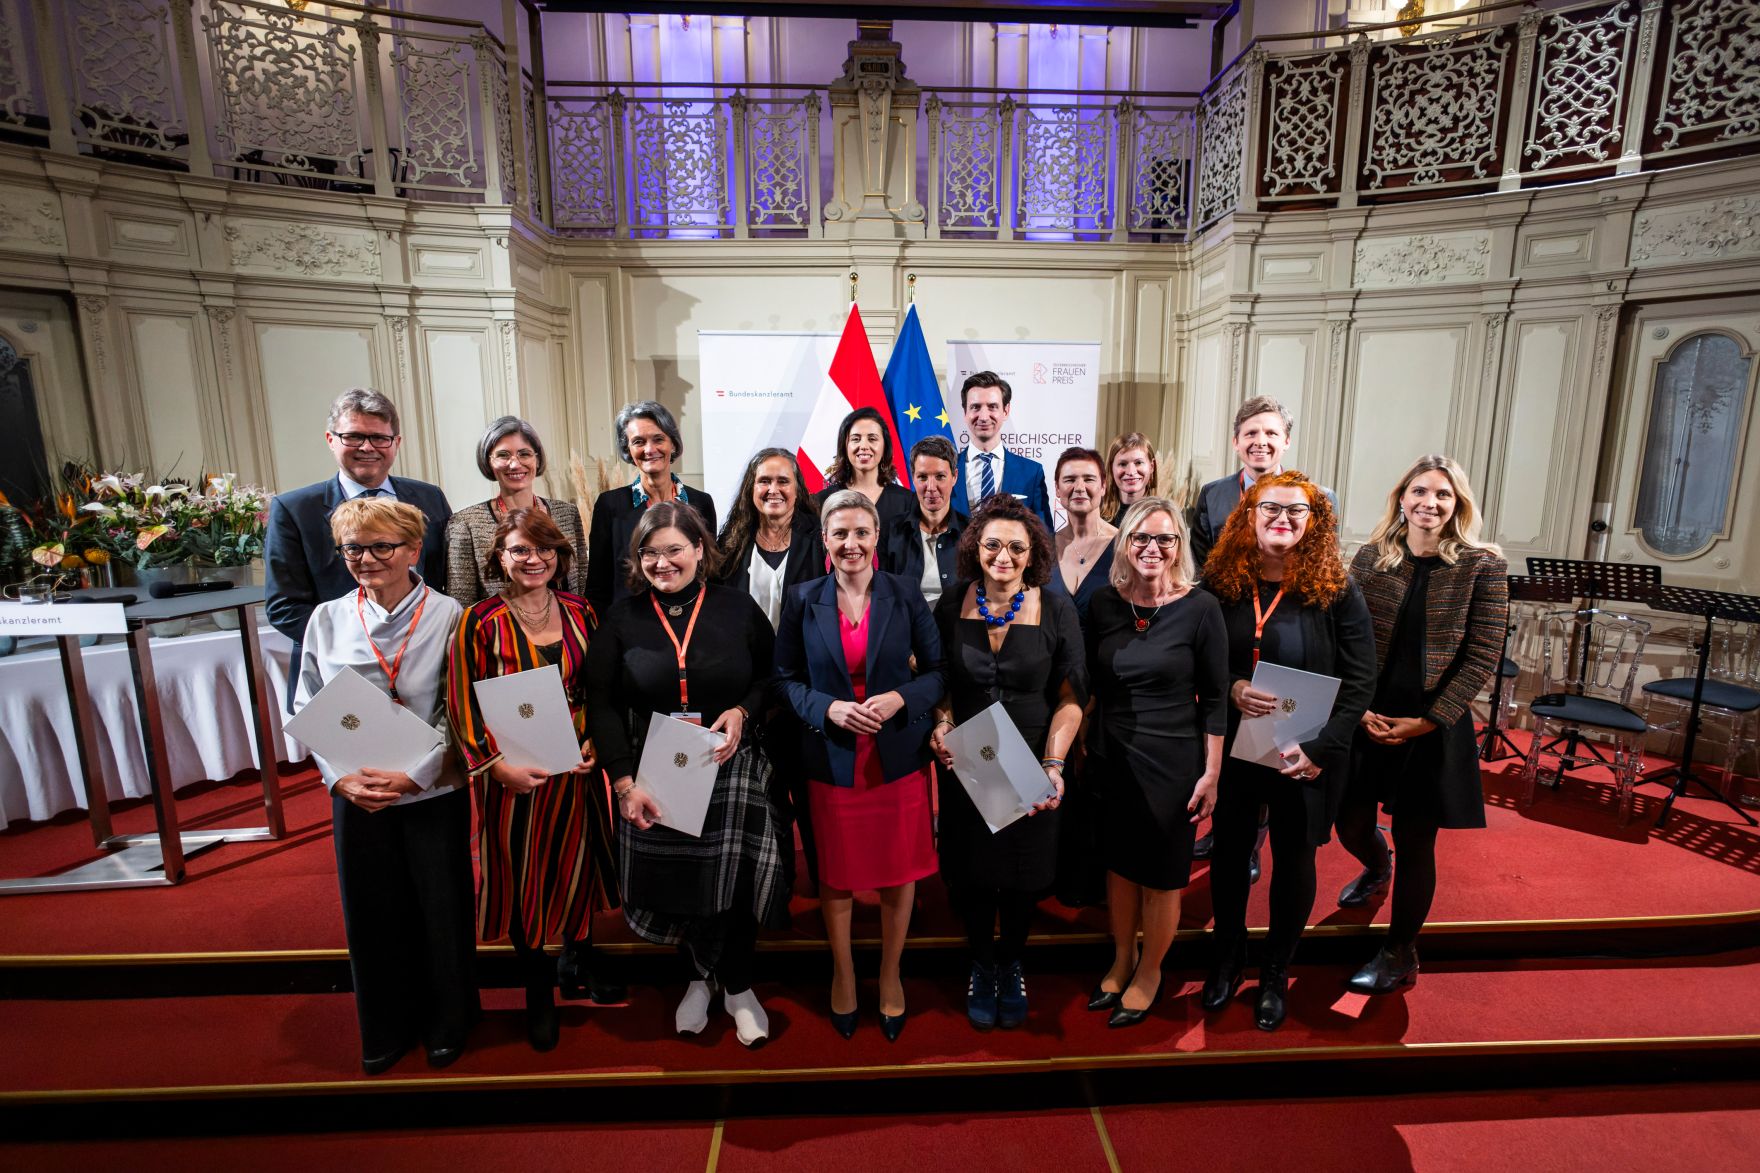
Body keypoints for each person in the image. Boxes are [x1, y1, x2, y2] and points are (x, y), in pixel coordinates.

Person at [585, 502, 786, 1048]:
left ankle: (738, 986)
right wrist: (624, 783)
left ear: (700, 549)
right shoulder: (622, 618)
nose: (663, 562)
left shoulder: (736, 607)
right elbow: (601, 702)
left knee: (734, 882)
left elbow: (770, 677)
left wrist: (743, 710)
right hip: (657, 767)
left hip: (729, 762)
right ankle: (698, 980)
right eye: (650, 553)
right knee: (681, 883)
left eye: (674, 549)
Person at [293, 498, 473, 1075]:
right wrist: (338, 777)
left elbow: (460, 706)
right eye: (353, 549)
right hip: (359, 791)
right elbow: (305, 704)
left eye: (381, 547)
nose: (366, 559)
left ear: (413, 550)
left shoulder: (450, 614)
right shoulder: (326, 619)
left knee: (440, 908)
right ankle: (386, 1025)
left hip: (430, 789)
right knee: (372, 911)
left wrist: (418, 772)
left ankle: (448, 1021)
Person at [1199, 471, 1375, 1032]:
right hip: (1236, 743)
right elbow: (1199, 659)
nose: (1282, 519)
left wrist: (1322, 748)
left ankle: (1275, 971)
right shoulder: (1220, 583)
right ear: (1248, 515)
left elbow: (1360, 679)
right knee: (1229, 855)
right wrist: (1232, 685)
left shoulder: (1336, 588)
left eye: (1296, 511)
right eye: (1270, 508)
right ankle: (1227, 958)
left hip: (1306, 749)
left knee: (1295, 859)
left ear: (1313, 521)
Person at [446, 508, 620, 1053]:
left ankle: (577, 956)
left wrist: (596, 741)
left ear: (559, 557)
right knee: (523, 871)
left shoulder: (582, 611)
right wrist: (494, 765)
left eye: (544, 549)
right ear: (500, 557)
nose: (534, 559)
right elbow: (460, 701)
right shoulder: (479, 621)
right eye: (520, 549)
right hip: (514, 773)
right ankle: (537, 983)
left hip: (577, 766)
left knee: (578, 863)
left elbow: (602, 687)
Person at [776, 490, 945, 1042]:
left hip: (895, 754)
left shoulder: (904, 593)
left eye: (862, 533)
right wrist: (826, 708)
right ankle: (844, 974)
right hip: (832, 756)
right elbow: (784, 679)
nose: (852, 543)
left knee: (899, 872)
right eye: (840, 533)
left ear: (877, 537)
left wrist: (901, 699)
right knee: (838, 875)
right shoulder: (802, 598)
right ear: (825, 540)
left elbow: (938, 673)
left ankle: (891, 974)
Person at [1336, 456, 1508, 994]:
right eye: (1419, 491)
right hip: (1369, 712)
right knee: (1350, 825)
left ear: (1458, 505)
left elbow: (1483, 654)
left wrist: (1429, 720)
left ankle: (1400, 951)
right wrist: (1357, 706)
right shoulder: (1372, 556)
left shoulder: (1482, 566)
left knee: (1417, 842)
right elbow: (1345, 636)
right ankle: (1376, 865)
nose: (1428, 503)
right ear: (1402, 497)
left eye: (1442, 495)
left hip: (1432, 723)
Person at [930, 494, 1087, 1031]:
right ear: (975, 548)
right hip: (968, 760)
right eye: (992, 544)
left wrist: (1054, 764)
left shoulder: (1057, 609)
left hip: (1032, 762)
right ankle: (981, 964)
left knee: (1023, 874)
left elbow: (1071, 697)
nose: (1003, 556)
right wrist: (941, 721)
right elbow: (939, 681)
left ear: (1033, 553)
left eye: (1016, 547)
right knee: (973, 872)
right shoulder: (951, 605)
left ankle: (1011, 962)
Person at [1084, 499, 1227, 1028]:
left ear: (1179, 547)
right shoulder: (1104, 603)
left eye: (1165, 539)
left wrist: (1212, 772)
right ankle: (1122, 959)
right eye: (1141, 537)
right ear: (1125, 543)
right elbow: (1089, 682)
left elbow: (1216, 699)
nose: (1152, 548)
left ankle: (1150, 971)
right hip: (1112, 755)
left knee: (1162, 877)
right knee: (1121, 869)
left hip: (1173, 761)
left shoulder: (1201, 608)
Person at [1189, 396, 1334, 870]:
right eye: (1251, 433)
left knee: (1279, 766)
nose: (1261, 441)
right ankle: (1233, 835)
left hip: (1291, 641)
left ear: (1285, 441)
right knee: (1235, 770)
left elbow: (1323, 568)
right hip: (1234, 636)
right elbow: (1205, 572)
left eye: (1271, 433)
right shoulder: (1213, 494)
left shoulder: (1318, 496)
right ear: (1236, 442)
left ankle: (1256, 841)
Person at [267, 388, 451, 704]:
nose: (367, 447)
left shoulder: (429, 497)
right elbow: (284, 606)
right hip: (339, 675)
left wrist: (421, 644)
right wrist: (361, 647)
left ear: (396, 442)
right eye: (353, 436)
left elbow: (444, 579)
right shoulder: (294, 509)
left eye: (379, 438)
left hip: (428, 670)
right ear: (331, 439)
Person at [714, 448, 828, 892]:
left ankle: (826, 886)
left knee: (814, 800)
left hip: (807, 688)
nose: (773, 489)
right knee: (766, 799)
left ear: (798, 490)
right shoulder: (730, 544)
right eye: (764, 481)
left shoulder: (819, 539)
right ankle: (774, 892)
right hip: (751, 691)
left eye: (783, 481)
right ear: (751, 488)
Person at [585, 400, 718, 617]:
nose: (649, 449)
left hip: (690, 621)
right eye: (638, 441)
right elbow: (598, 587)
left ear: (672, 444)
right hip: (630, 624)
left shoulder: (700, 502)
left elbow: (710, 573)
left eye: (658, 439)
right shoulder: (610, 505)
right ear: (628, 449)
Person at [444, 416, 588, 607]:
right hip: (498, 625)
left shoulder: (567, 514)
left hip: (564, 622)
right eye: (503, 455)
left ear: (537, 459)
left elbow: (581, 586)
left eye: (524, 454)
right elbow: (461, 602)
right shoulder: (465, 524)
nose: (514, 464)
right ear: (488, 461)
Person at [950, 371, 1055, 533]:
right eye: (975, 407)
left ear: (1006, 411)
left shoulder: (1031, 473)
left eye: (992, 407)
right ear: (965, 412)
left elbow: (1044, 535)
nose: (984, 416)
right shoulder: (946, 470)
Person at [878, 435, 967, 605]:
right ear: (913, 477)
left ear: (954, 477)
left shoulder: (971, 532)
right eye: (923, 477)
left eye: (940, 476)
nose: (931, 487)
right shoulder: (890, 531)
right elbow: (882, 593)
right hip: (905, 620)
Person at [808, 406, 915, 532]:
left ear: (885, 447)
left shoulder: (908, 501)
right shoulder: (822, 501)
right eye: (856, 439)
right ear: (844, 447)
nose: (864, 446)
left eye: (872, 439)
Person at [1047, 446, 1117, 625]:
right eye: (1070, 480)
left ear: (1103, 486)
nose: (1079, 488)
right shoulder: (1044, 547)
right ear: (1057, 488)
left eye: (1089, 479)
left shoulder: (1124, 545)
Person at [1100, 432, 1161, 525]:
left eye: (1138, 463)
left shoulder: (1164, 516)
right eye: (1122, 464)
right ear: (1111, 467)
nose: (1131, 472)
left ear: (1151, 466)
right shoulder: (1096, 514)